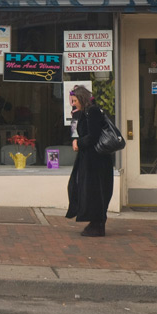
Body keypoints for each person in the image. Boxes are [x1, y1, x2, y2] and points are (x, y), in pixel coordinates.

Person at [65, 85, 114, 237]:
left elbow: (93, 135)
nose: (72, 103)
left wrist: (78, 143)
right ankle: (94, 222)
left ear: (81, 99)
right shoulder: (86, 112)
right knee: (85, 188)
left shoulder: (92, 112)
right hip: (90, 158)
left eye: (74, 100)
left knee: (94, 190)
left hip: (96, 160)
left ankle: (97, 223)